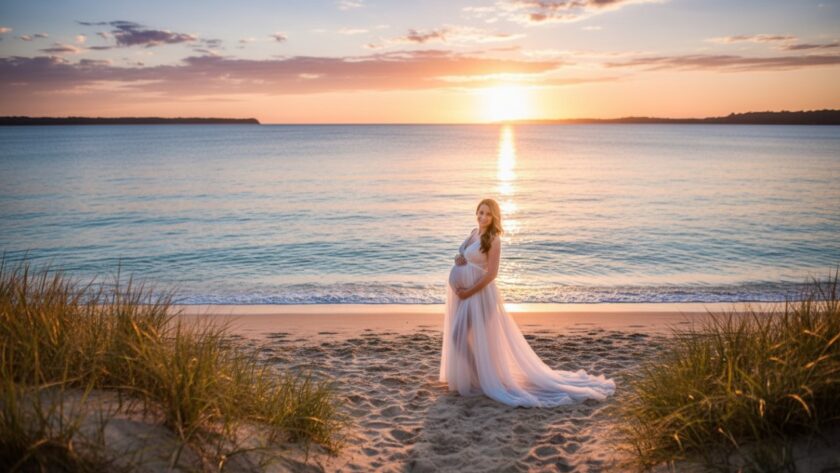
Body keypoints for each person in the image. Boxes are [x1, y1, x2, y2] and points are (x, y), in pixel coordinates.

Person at [440, 198, 616, 407]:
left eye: (488, 213)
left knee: (458, 335)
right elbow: (466, 257)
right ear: (476, 213)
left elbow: (492, 274)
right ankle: (480, 375)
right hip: (466, 295)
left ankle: (480, 376)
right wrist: (458, 260)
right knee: (463, 337)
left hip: (479, 296)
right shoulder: (473, 233)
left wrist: (468, 292)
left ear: (494, 217)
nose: (483, 217)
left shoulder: (494, 239)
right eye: (480, 212)